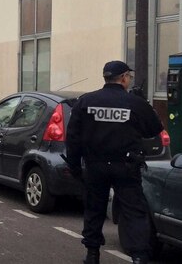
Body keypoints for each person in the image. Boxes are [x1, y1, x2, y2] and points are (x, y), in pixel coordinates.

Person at [65, 61, 164, 264]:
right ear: (124, 77)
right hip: (126, 167)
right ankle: (139, 257)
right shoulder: (134, 103)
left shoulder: (86, 101)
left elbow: (73, 137)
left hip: (95, 166)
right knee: (134, 212)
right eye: (130, 77)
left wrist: (75, 167)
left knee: (94, 209)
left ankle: (92, 255)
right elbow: (154, 129)